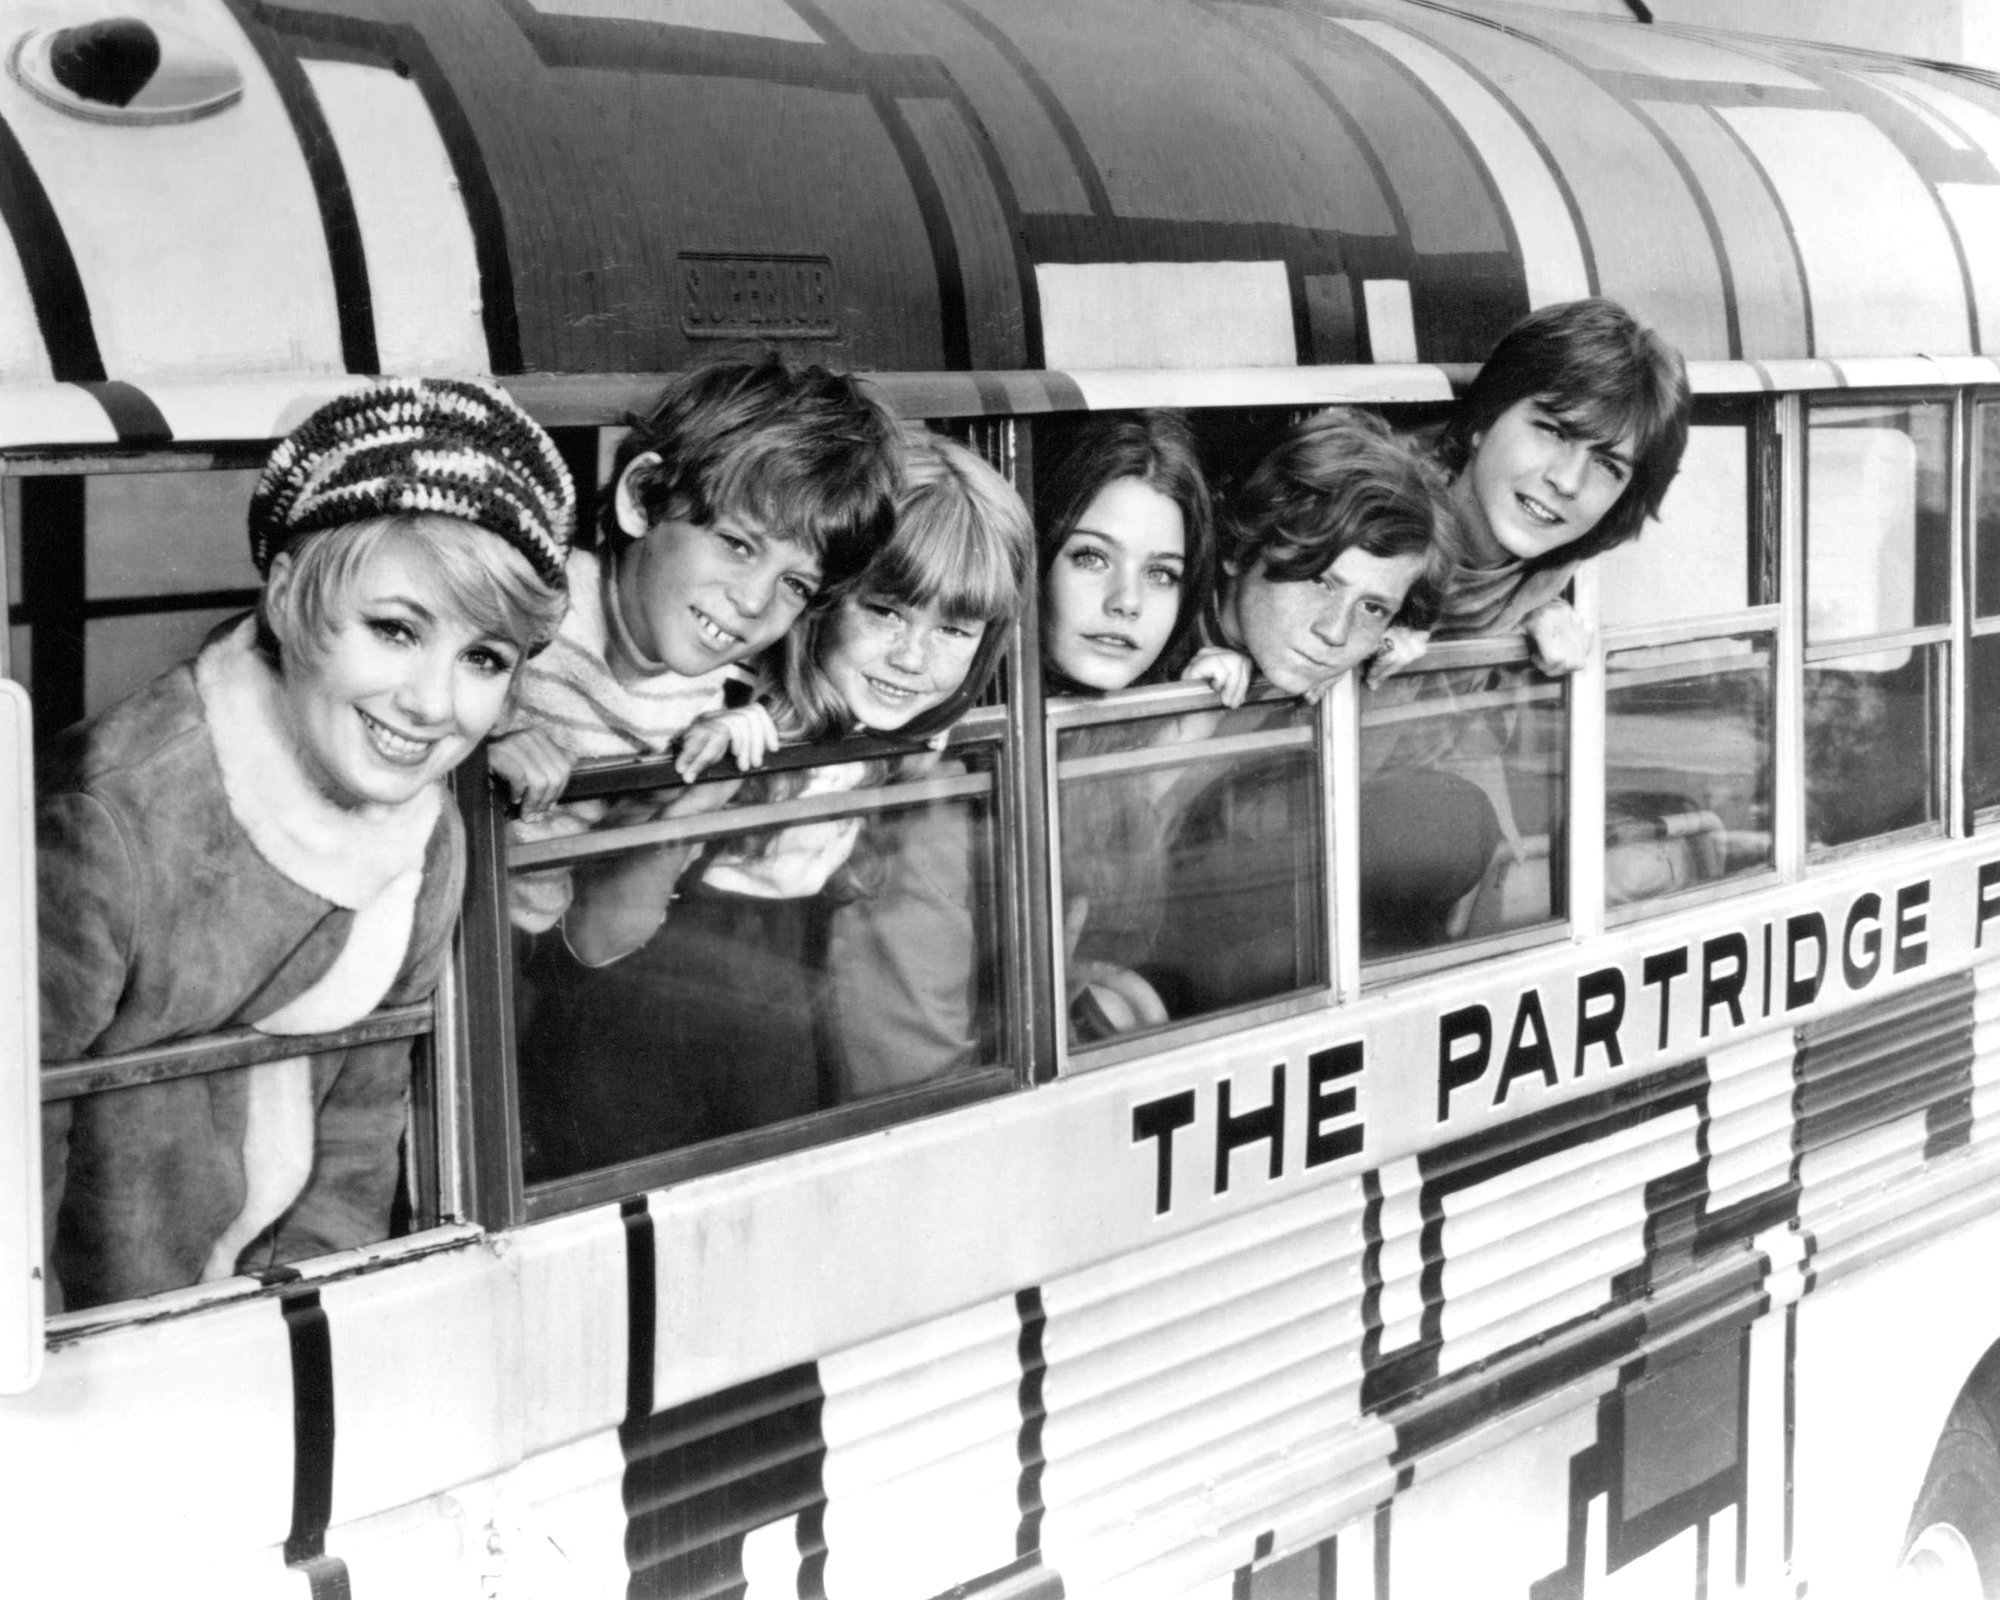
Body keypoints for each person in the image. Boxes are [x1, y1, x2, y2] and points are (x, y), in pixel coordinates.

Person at [37, 378, 574, 1310]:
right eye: (395, 629)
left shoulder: (430, 833)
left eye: (483, 658)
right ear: (287, 597)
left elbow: (363, 1126)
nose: (434, 705)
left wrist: (320, 1311)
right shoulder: (109, 824)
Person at [524, 429, 1030, 1172]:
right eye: (885, 611)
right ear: (822, 601)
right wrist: (721, 777)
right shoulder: (728, 704)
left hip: (787, 969)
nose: (913, 657)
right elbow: (599, 934)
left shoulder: (900, 722)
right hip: (649, 987)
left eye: (952, 629)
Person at [491, 352, 901, 941]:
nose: (756, 603)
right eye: (737, 543)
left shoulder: (726, 679)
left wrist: (733, 743)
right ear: (641, 499)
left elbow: (604, 938)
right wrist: (482, 754)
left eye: (795, 584)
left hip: (536, 950)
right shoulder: (531, 609)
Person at [1360, 298, 1691, 950]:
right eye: (1553, 429)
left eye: (1608, 465)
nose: (1567, 481)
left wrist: (1544, 609)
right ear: (1483, 421)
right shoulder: (1369, 519)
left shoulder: (1542, 579)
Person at [1139, 407, 1447, 1018]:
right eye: (1321, 581)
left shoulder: (1333, 661)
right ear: (1238, 551)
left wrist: (1390, 677)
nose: (1334, 632)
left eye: (1372, 608)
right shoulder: (1149, 626)